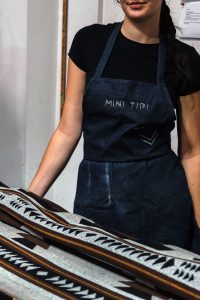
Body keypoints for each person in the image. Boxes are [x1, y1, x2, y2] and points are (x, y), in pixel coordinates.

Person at [28, 0, 200, 253]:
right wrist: (29, 201)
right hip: (97, 203)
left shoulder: (184, 59)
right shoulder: (89, 43)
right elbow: (68, 129)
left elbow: (193, 152)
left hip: (163, 210)